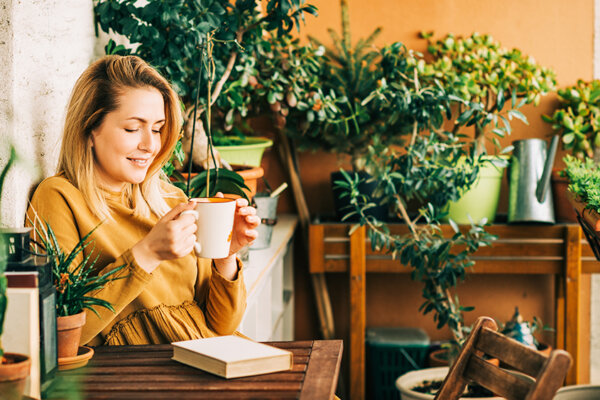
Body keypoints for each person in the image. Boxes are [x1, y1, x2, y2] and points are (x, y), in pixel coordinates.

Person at [27, 55, 260, 346]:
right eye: (132, 128)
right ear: (90, 130)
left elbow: (222, 327)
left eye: (158, 129)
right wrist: (147, 253)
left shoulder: (171, 200)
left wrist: (226, 255)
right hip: (144, 377)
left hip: (213, 361)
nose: (150, 145)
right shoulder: (59, 197)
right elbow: (60, 335)